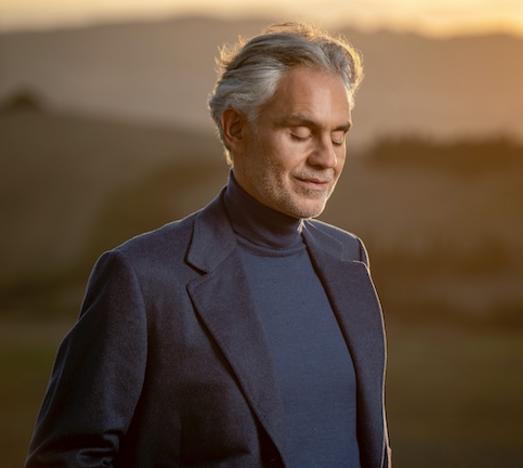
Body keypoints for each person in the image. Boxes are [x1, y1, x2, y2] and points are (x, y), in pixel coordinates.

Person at [26, 23, 390, 468]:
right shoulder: (142, 278)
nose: (327, 158)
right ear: (235, 128)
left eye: (338, 136)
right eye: (300, 132)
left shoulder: (348, 258)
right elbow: (68, 457)